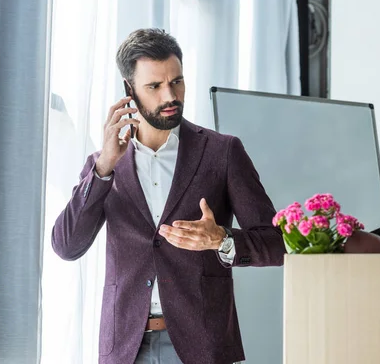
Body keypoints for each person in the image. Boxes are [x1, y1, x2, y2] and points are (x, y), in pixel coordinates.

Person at [52, 28, 286, 364]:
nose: (170, 96)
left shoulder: (222, 152)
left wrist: (221, 239)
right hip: (126, 349)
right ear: (128, 91)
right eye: (154, 86)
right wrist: (103, 167)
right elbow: (67, 246)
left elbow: (275, 243)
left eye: (177, 82)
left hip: (202, 344)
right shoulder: (103, 166)